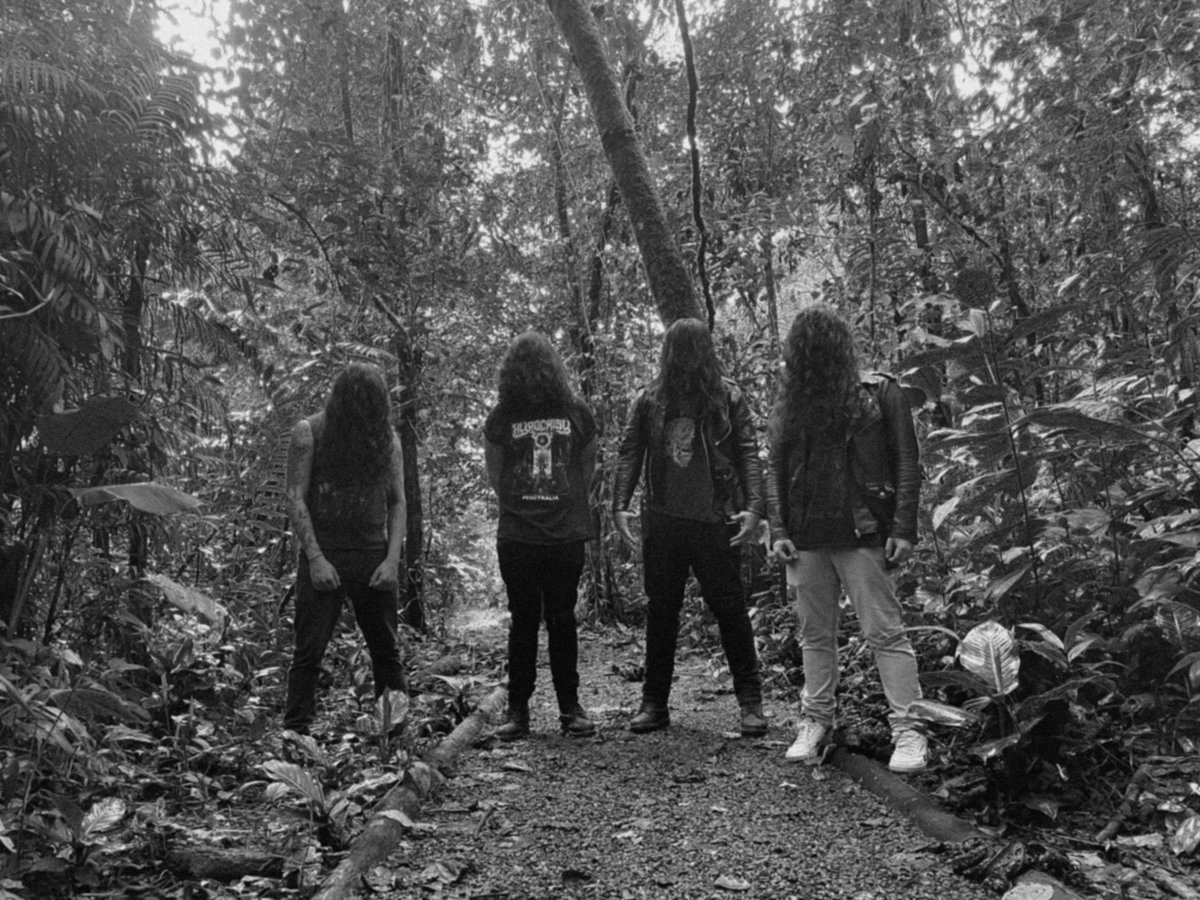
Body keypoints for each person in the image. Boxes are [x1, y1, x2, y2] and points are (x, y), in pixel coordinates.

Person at [766, 304, 927, 773]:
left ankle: (909, 730)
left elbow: (906, 459)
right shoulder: (793, 402)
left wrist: (903, 528)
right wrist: (778, 529)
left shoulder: (880, 392)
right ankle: (816, 720)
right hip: (807, 536)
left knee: (884, 631)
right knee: (815, 634)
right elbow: (775, 468)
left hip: (862, 531)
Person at [612, 317, 767, 737]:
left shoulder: (727, 397)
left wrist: (754, 508)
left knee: (730, 608)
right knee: (662, 609)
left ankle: (750, 703)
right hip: (664, 519)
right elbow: (630, 451)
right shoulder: (650, 399)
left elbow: (748, 452)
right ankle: (654, 703)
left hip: (715, 518)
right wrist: (619, 505)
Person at [484, 332, 598, 740]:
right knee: (523, 621)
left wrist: (565, 504)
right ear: (513, 374)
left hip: (565, 534)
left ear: (550, 371)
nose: (532, 379)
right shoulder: (502, 417)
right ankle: (518, 710)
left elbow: (587, 464)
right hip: (518, 535)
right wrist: (522, 507)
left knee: (563, 618)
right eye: (524, 372)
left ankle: (571, 707)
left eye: (538, 371)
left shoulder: (576, 411)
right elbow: (495, 472)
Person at [283, 362, 408, 735]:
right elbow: (295, 497)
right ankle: (296, 734)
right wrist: (315, 558)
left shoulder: (387, 439)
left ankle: (394, 733)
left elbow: (397, 501)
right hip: (325, 552)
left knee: (386, 650)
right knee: (308, 652)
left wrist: (392, 560)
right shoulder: (309, 432)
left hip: (372, 553)